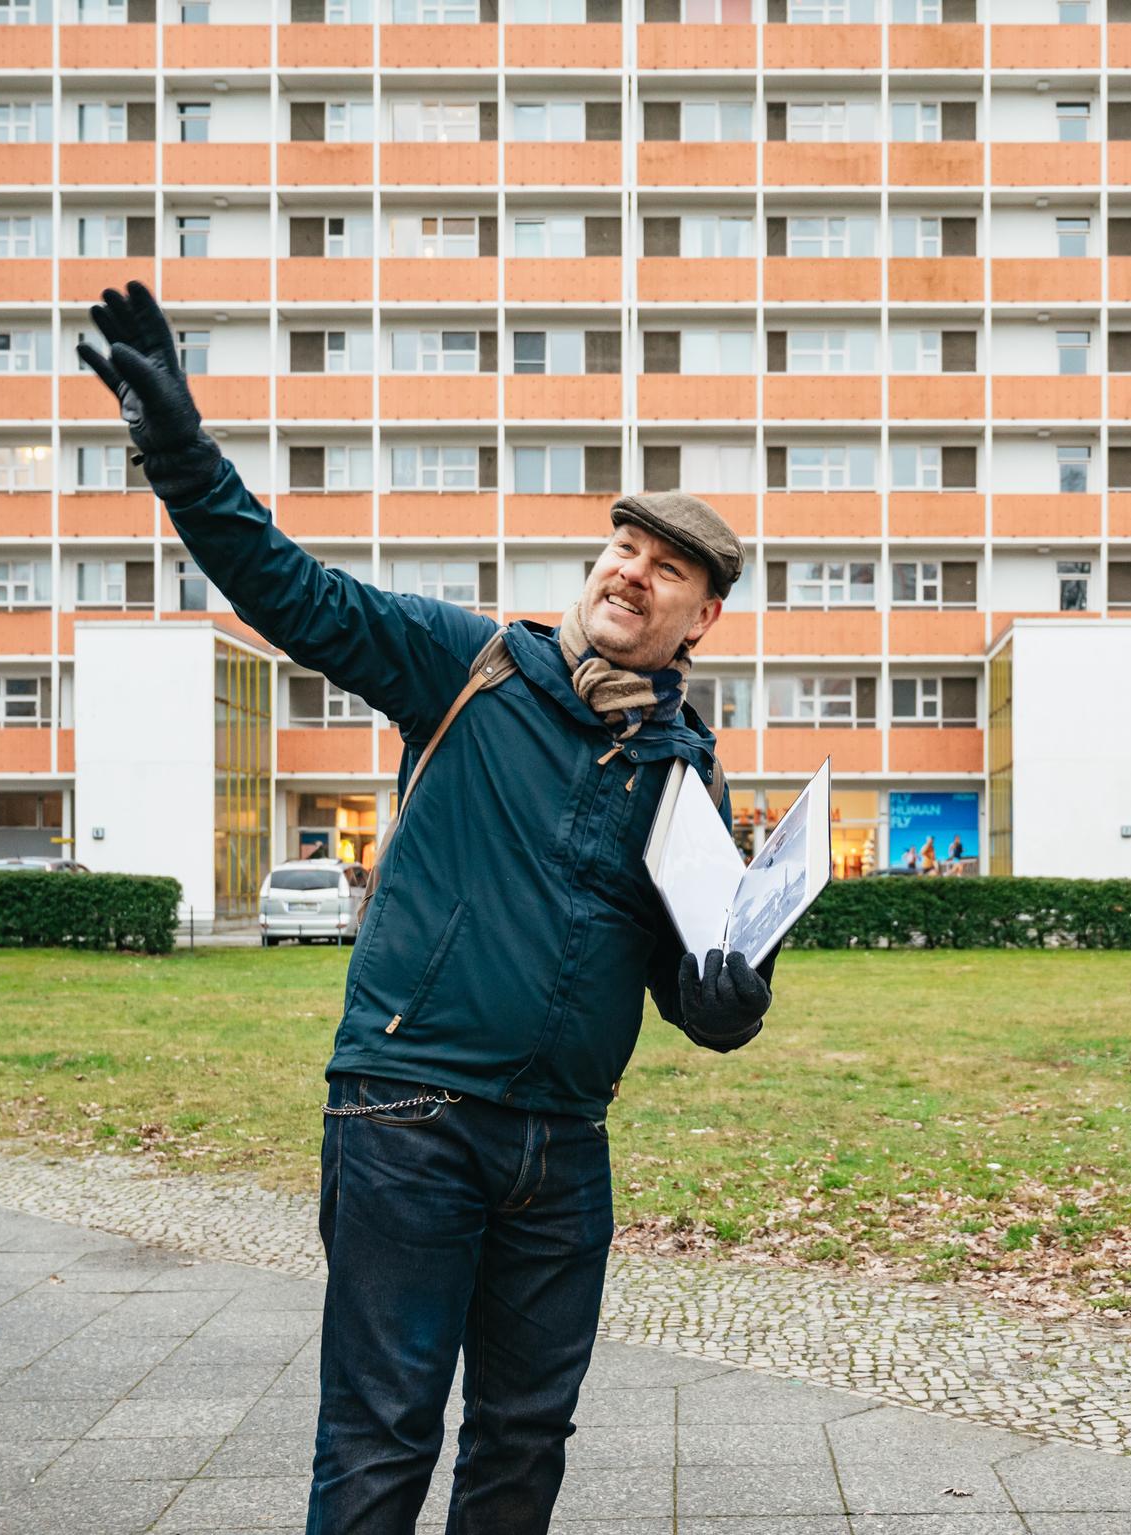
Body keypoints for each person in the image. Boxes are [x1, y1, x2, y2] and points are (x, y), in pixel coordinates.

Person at [79, 282, 778, 1535]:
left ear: (701, 615)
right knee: (382, 1427)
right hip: (411, 1113)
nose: (634, 571)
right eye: (624, 547)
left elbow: (692, 984)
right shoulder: (469, 663)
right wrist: (177, 450)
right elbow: (281, 584)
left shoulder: (687, 769)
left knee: (524, 1437)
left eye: (668, 567)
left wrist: (734, 995)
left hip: (562, 1146)